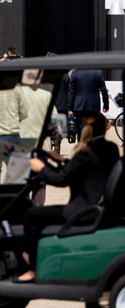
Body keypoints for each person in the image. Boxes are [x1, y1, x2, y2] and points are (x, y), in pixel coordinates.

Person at [16, 114, 118, 282]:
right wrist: (63, 160)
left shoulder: (84, 152)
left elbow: (60, 180)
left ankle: (32, 267)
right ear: (104, 127)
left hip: (82, 211)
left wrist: (41, 167)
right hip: (99, 207)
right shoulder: (110, 148)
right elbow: (87, 170)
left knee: (30, 215)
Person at [67, 68, 109, 140]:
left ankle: (82, 147)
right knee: (93, 128)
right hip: (94, 105)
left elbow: (71, 92)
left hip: (79, 105)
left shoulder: (75, 73)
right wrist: (106, 105)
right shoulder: (98, 72)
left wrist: (70, 107)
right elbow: (103, 90)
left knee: (80, 129)